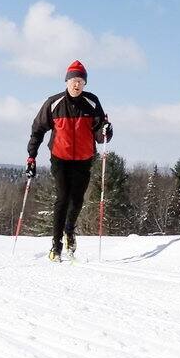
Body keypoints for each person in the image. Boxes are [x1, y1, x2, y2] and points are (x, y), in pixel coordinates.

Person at [26, 60, 112, 262]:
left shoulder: (91, 102)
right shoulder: (54, 103)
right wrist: (32, 155)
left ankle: (69, 232)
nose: (77, 84)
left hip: (84, 158)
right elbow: (38, 129)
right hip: (60, 158)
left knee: (77, 200)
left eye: (81, 81)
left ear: (85, 84)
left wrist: (106, 132)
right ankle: (56, 245)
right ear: (66, 82)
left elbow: (100, 134)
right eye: (73, 80)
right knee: (63, 198)